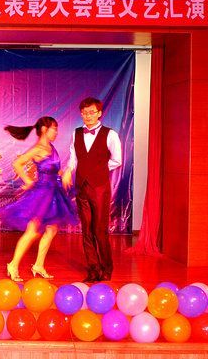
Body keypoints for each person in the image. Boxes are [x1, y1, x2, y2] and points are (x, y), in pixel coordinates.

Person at [0, 117, 79, 281]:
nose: (56, 132)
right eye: (54, 129)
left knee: (52, 229)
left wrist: (64, 174)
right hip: (42, 194)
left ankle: (39, 265)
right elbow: (17, 163)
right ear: (44, 129)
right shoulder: (38, 149)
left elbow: (54, 171)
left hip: (54, 192)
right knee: (33, 231)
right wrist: (28, 181)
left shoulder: (51, 147)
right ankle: (13, 265)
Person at [62, 97, 122, 282]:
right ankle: (93, 269)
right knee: (87, 230)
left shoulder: (110, 134)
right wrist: (68, 170)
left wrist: (98, 170)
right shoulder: (76, 133)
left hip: (100, 188)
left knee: (100, 229)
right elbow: (74, 158)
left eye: (91, 112)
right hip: (81, 188)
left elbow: (117, 160)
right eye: (84, 113)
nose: (88, 116)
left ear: (99, 113)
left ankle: (106, 268)